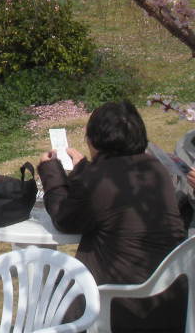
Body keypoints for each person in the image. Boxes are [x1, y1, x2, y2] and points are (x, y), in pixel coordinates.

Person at [38, 100, 186, 333]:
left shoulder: (98, 178)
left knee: (52, 286)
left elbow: (64, 218)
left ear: (93, 140)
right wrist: (84, 170)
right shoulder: (156, 169)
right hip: (170, 301)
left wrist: (51, 172)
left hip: (119, 304)